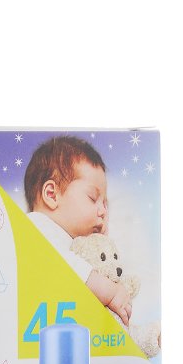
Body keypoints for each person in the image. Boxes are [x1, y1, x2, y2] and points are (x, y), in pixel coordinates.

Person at [24, 136, 132, 325]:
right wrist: (109, 292)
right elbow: (62, 264)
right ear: (52, 195)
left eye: (105, 204)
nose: (103, 212)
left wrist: (100, 244)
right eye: (92, 198)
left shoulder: (72, 244)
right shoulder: (34, 226)